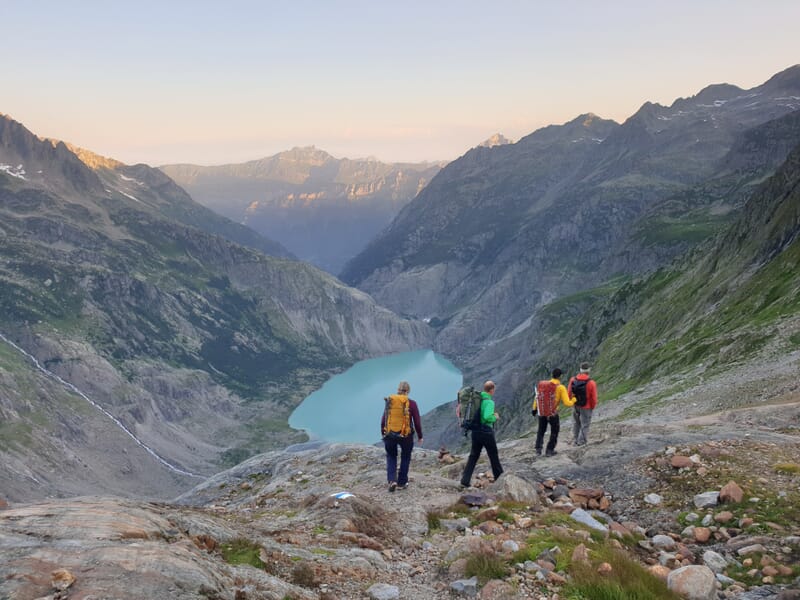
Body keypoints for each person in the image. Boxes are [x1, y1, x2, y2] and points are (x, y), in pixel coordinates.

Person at [381, 381, 423, 492]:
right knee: (405, 456)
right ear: (408, 391)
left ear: (398, 390)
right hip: (406, 435)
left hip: (390, 434)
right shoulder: (412, 403)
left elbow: (384, 420)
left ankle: (392, 480)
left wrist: (384, 433)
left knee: (391, 456)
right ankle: (402, 482)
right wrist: (420, 436)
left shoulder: (391, 401)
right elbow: (417, 422)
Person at [460, 380, 503, 488]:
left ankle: (465, 479)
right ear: (492, 390)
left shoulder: (477, 399)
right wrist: (495, 417)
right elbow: (487, 417)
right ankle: (500, 477)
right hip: (486, 432)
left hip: (475, 432)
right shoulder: (489, 402)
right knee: (493, 455)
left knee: (473, 456)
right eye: (494, 389)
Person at [532, 368, 574, 456]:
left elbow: (537, 397)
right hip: (553, 414)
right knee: (554, 431)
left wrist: (534, 408)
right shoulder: (560, 387)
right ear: (560, 376)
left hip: (542, 412)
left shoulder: (544, 385)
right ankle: (549, 450)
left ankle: (538, 449)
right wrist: (574, 399)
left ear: (552, 375)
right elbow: (567, 403)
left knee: (541, 431)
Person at [567, 362, 598, 446]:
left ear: (580, 370)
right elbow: (594, 398)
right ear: (589, 370)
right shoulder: (591, 383)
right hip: (586, 406)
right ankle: (581, 442)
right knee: (585, 424)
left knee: (576, 423)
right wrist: (592, 406)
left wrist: (572, 402)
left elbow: (569, 393)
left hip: (575, 405)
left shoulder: (573, 379)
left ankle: (575, 441)